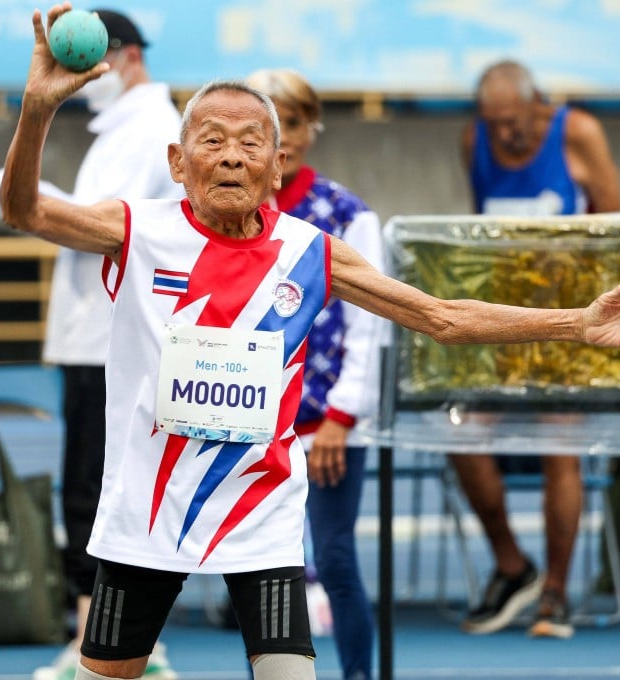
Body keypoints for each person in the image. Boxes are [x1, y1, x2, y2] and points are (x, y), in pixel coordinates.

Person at [0, 7, 620, 678]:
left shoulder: (311, 252)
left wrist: (575, 323)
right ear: (179, 162)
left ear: (276, 168)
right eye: (211, 141)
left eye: (249, 143)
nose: (231, 155)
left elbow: (442, 316)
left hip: (259, 510)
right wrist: (36, 108)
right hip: (148, 506)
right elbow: (23, 210)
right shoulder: (137, 230)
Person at [0, 8, 182, 680]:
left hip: (113, 339)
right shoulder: (121, 127)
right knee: (96, 490)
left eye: (91, 61)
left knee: (99, 492)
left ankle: (119, 644)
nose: (83, 76)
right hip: (95, 337)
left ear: (128, 56)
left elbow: (112, 227)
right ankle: (107, 640)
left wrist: (23, 194)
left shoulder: (153, 131)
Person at [451, 58, 620, 639]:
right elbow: (481, 230)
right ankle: (511, 564)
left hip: (570, 322)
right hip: (503, 324)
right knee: (457, 430)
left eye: (514, 122)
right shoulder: (474, 140)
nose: (505, 134)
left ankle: (555, 590)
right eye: (494, 123)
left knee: (559, 441)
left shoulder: (578, 133)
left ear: (538, 106)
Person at [244, 68, 382, 680]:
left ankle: (354, 675)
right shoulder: (225, 210)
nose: (281, 135)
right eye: (265, 122)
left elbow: (370, 325)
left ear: (310, 129)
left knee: (333, 555)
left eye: (292, 121)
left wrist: (341, 418)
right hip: (249, 419)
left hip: (327, 424)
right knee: (257, 568)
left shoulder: (345, 213)